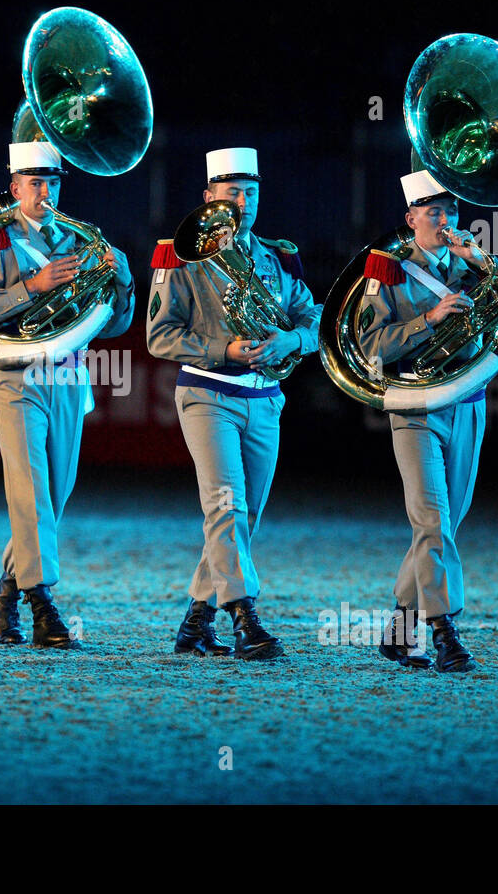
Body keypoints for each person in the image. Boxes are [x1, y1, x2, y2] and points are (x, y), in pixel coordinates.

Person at [362, 169, 498, 672]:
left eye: (452, 211)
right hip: (416, 408)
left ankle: (400, 629)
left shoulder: (472, 268)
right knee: (432, 520)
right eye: (434, 211)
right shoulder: (388, 272)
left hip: (468, 403)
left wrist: (482, 259)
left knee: (443, 525)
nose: (445, 221)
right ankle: (443, 631)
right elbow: (373, 346)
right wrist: (431, 320)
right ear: (411, 217)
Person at [0, 141, 135, 649]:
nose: (46, 191)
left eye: (53, 182)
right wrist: (30, 287)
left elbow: (111, 325)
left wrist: (122, 282)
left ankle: (2, 597)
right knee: (32, 493)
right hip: (17, 375)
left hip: (68, 376)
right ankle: (43, 608)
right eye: (35, 183)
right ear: (14, 188)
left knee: (54, 497)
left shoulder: (75, 242)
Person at [146, 147, 321, 660]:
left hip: (265, 398)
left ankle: (196, 623)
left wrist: (294, 342)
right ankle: (247, 620)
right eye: (231, 194)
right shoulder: (178, 255)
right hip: (208, 394)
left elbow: (312, 319)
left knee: (241, 520)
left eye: (250, 192)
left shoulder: (279, 255)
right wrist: (223, 349)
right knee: (225, 507)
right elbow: (159, 337)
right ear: (209, 198)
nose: (242, 202)